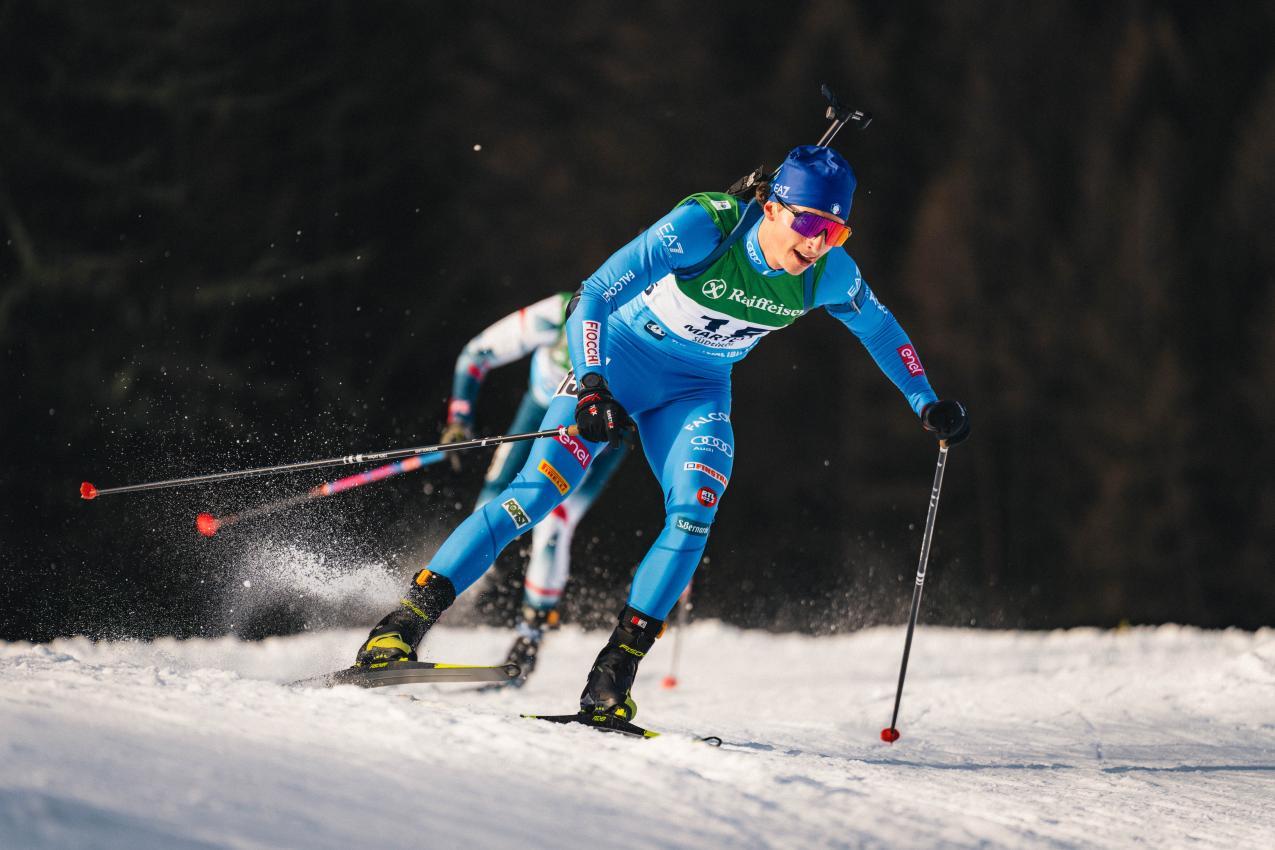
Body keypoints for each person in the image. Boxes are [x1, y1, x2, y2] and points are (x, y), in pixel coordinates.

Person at [355, 145, 970, 725]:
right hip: (617, 367)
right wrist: (592, 384)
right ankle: (400, 627)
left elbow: (882, 332)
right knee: (535, 497)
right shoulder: (706, 226)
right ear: (774, 207)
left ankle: (611, 680)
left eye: (837, 233)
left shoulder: (827, 274)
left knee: (695, 510)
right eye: (811, 226)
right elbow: (593, 294)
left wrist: (927, 401)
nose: (820, 246)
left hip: (696, 392)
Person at [435, 293, 627, 685]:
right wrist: (460, 418)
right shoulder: (560, 312)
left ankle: (529, 639)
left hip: (595, 433)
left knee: (554, 520)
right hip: (539, 413)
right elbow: (476, 354)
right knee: (488, 506)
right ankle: (441, 598)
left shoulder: (652, 330)